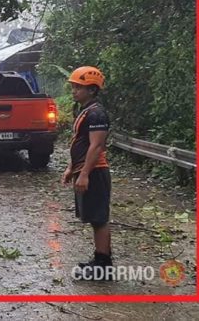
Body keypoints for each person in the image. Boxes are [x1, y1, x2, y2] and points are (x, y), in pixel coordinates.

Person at [60, 66, 113, 280]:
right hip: (85, 169)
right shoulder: (84, 110)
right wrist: (71, 168)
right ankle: (100, 260)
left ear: (92, 90)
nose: (74, 91)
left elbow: (96, 146)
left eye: (79, 87)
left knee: (99, 218)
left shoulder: (97, 113)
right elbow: (79, 144)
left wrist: (84, 175)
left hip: (95, 171)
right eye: (73, 87)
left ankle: (103, 264)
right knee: (93, 217)